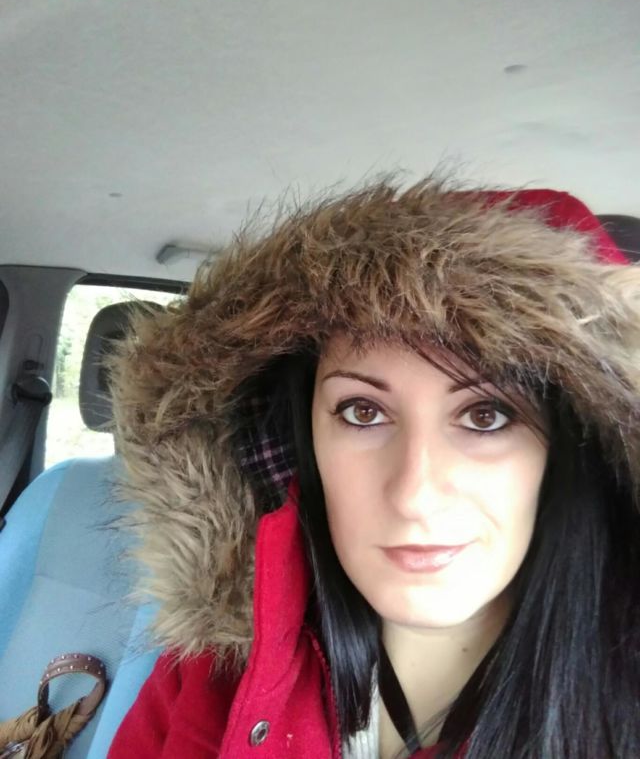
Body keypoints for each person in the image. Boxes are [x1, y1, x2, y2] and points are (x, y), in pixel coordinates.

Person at [106, 176, 639, 759]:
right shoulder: (209, 676)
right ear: (301, 438)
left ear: (573, 448)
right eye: (363, 412)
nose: (415, 495)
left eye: (486, 416)